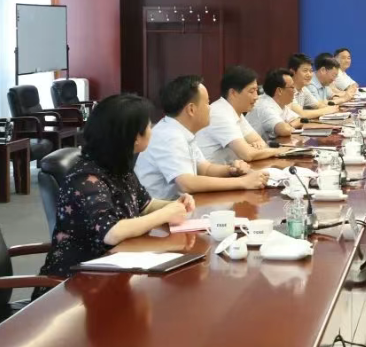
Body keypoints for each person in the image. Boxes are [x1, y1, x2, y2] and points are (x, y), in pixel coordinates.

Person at [36, 94, 195, 281]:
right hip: (74, 281)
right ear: (134, 137)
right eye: (148, 126)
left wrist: (175, 204)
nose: (151, 130)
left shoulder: (118, 166)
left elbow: (146, 204)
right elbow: (111, 232)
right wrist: (165, 214)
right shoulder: (86, 178)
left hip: (113, 267)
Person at [135, 75, 270, 200]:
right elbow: (187, 183)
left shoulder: (182, 131)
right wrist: (242, 182)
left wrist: (232, 171)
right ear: (191, 109)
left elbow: (205, 169)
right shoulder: (170, 135)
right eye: (207, 103)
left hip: (180, 206)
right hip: (160, 213)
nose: (210, 108)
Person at [196, 65, 288, 163]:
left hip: (233, 168)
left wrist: (255, 147)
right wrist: (278, 151)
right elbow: (247, 154)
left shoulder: (235, 112)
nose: (256, 97)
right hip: (215, 171)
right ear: (233, 93)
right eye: (252, 91)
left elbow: (259, 141)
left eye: (256, 91)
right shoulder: (219, 114)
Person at [246, 69, 302, 140]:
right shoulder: (265, 106)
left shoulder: (280, 104)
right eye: (292, 87)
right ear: (279, 91)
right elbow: (284, 130)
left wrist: (289, 125)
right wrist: (287, 126)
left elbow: (300, 120)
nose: (295, 91)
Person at [289, 53, 340, 118]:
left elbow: (318, 105)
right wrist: (327, 110)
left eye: (311, 71)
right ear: (292, 72)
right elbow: (301, 114)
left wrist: (333, 108)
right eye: (305, 71)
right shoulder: (287, 89)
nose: (309, 74)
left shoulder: (303, 89)